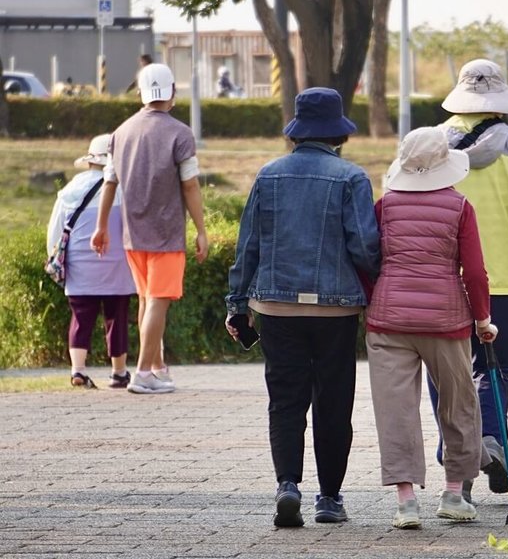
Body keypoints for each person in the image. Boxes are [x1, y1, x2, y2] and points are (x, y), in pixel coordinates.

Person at [225, 87, 381, 528]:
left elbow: (248, 246)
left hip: (275, 307)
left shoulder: (268, 175)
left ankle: (287, 485)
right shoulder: (352, 178)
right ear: (338, 133)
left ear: (296, 131)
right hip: (336, 311)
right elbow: (365, 246)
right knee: (334, 402)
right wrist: (373, 283)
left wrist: (238, 303)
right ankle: (329, 499)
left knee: (286, 401)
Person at [366, 126, 498, 529]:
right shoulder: (460, 207)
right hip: (447, 321)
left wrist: (377, 296)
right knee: (459, 405)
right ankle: (454, 494)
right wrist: (483, 319)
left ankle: (406, 502)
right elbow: (474, 272)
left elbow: (366, 258)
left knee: (396, 411)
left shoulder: (384, 205)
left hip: (389, 321)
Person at [433, 58, 508, 502]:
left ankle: (455, 459)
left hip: (441, 279)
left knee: (447, 374)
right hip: (498, 281)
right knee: (493, 368)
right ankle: (488, 442)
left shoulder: (433, 143)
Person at [91, 63, 209, 395]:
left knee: (146, 299)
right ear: (171, 93)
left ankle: (157, 368)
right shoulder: (180, 133)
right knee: (158, 300)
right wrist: (201, 229)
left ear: (141, 94)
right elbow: (190, 186)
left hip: (132, 234)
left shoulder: (121, 133)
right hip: (167, 233)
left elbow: (109, 184)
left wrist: (101, 227)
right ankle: (142, 373)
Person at [46, 134, 136, 389]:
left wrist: (55, 256)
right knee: (116, 317)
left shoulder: (71, 189)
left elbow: (55, 230)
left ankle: (78, 371)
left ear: (90, 161)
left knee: (81, 316)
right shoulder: (122, 189)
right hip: (117, 264)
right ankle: (118, 373)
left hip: (80, 264)